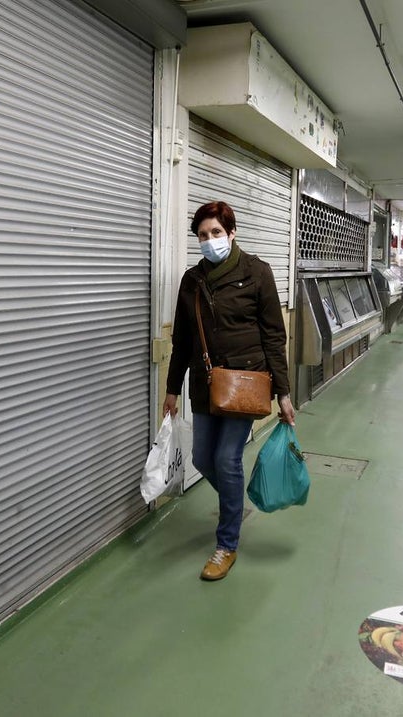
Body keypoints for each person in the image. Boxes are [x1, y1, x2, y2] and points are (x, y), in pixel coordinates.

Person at [162, 201, 294, 581]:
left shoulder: (257, 272)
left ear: (231, 232)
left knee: (226, 458)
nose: (210, 240)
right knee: (203, 458)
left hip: (245, 383)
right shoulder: (191, 281)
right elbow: (183, 341)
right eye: (203, 235)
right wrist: (172, 390)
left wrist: (283, 393)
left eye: (216, 232)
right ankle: (234, 502)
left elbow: (274, 336)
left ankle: (226, 545)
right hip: (205, 385)